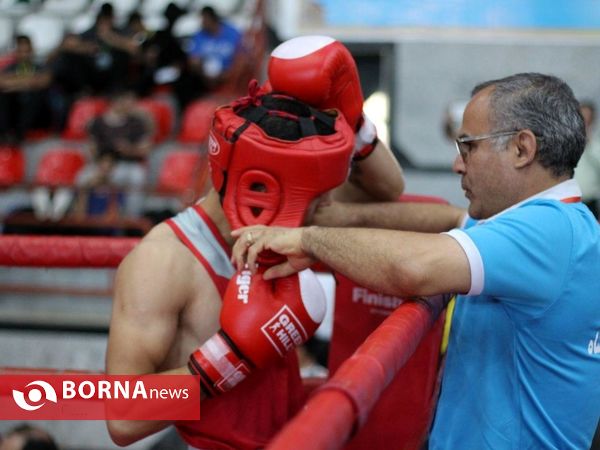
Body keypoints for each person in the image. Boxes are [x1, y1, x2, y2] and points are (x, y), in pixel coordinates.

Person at [231, 73, 600, 449]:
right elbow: (448, 219)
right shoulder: (550, 224)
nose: (458, 164)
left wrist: (307, 239)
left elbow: (409, 251)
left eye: (468, 146)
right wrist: (332, 219)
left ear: (522, 149)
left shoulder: (548, 231)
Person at [105, 87, 355, 448]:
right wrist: (230, 356)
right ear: (265, 190)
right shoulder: (164, 260)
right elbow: (124, 417)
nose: (328, 206)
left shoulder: (279, 243)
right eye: (315, 196)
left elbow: (388, 196)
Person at [75, 88, 153, 218]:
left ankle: (131, 220)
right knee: (82, 178)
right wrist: (102, 167)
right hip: (101, 164)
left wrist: (129, 149)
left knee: (137, 177)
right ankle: (80, 219)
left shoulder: (136, 123)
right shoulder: (98, 122)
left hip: (127, 164)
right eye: (127, 100)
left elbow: (146, 149)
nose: (130, 104)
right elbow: (91, 148)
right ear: (116, 101)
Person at [176, 6, 243, 107]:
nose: (202, 23)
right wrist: (202, 71)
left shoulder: (232, 33)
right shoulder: (199, 35)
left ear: (211, 18)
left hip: (230, 79)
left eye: (203, 19)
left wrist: (228, 74)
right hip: (204, 80)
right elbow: (193, 59)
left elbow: (243, 57)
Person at [0, 35, 52, 144]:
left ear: (32, 51)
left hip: (38, 112)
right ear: (16, 52)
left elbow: (43, 81)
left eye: (26, 51)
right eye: (21, 51)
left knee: (33, 96)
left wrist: (14, 82)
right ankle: (5, 135)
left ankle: (20, 135)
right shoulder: (9, 68)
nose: (24, 55)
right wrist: (28, 82)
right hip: (14, 110)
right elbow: (2, 83)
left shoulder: (40, 67)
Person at [575, 100, 600, 218]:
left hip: (591, 201)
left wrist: (589, 144)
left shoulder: (596, 145)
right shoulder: (567, 144)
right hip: (571, 200)